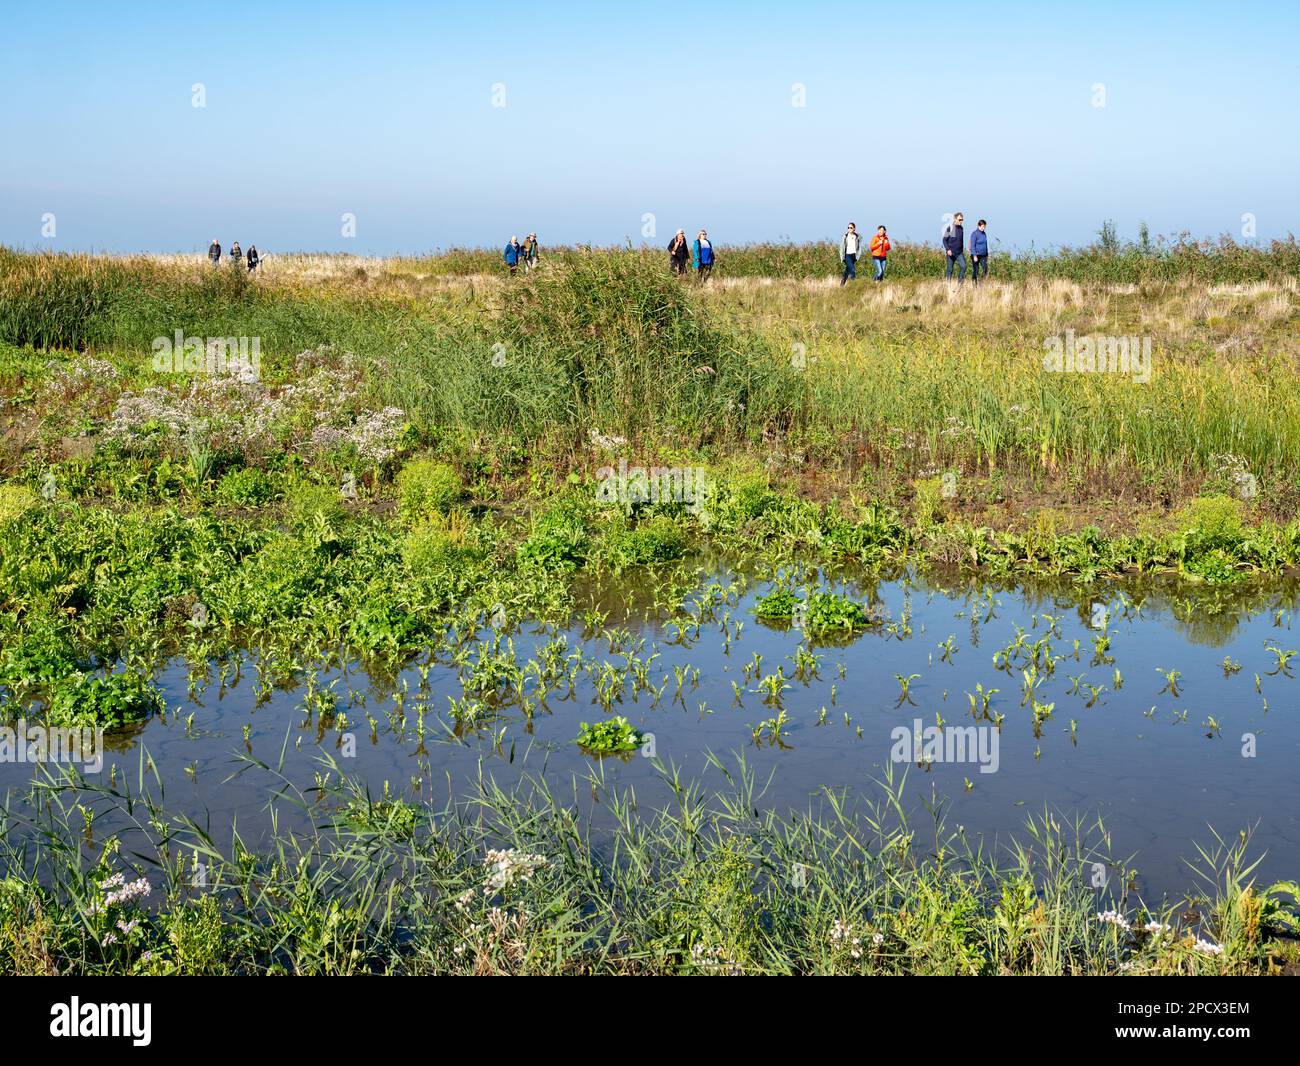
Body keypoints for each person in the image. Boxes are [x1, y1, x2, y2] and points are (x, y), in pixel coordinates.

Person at [942, 213, 966, 282]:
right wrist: (948, 250)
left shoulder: (961, 228)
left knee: (963, 267)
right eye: (960, 219)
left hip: (959, 253)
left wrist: (962, 250)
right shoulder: (950, 228)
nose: (961, 221)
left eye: (962, 219)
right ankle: (948, 285)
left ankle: (960, 283)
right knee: (950, 269)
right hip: (951, 253)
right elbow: (944, 240)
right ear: (955, 219)